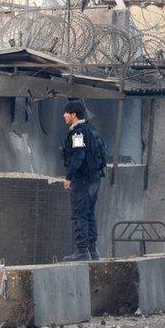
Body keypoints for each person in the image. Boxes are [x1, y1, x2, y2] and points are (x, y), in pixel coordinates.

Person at [61, 100, 107, 262]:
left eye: (67, 112)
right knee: (89, 214)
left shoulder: (78, 133)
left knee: (79, 214)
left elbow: (78, 156)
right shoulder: (91, 130)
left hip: (82, 180)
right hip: (95, 179)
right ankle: (92, 250)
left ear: (74, 115)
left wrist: (69, 177)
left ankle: (82, 250)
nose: (64, 115)